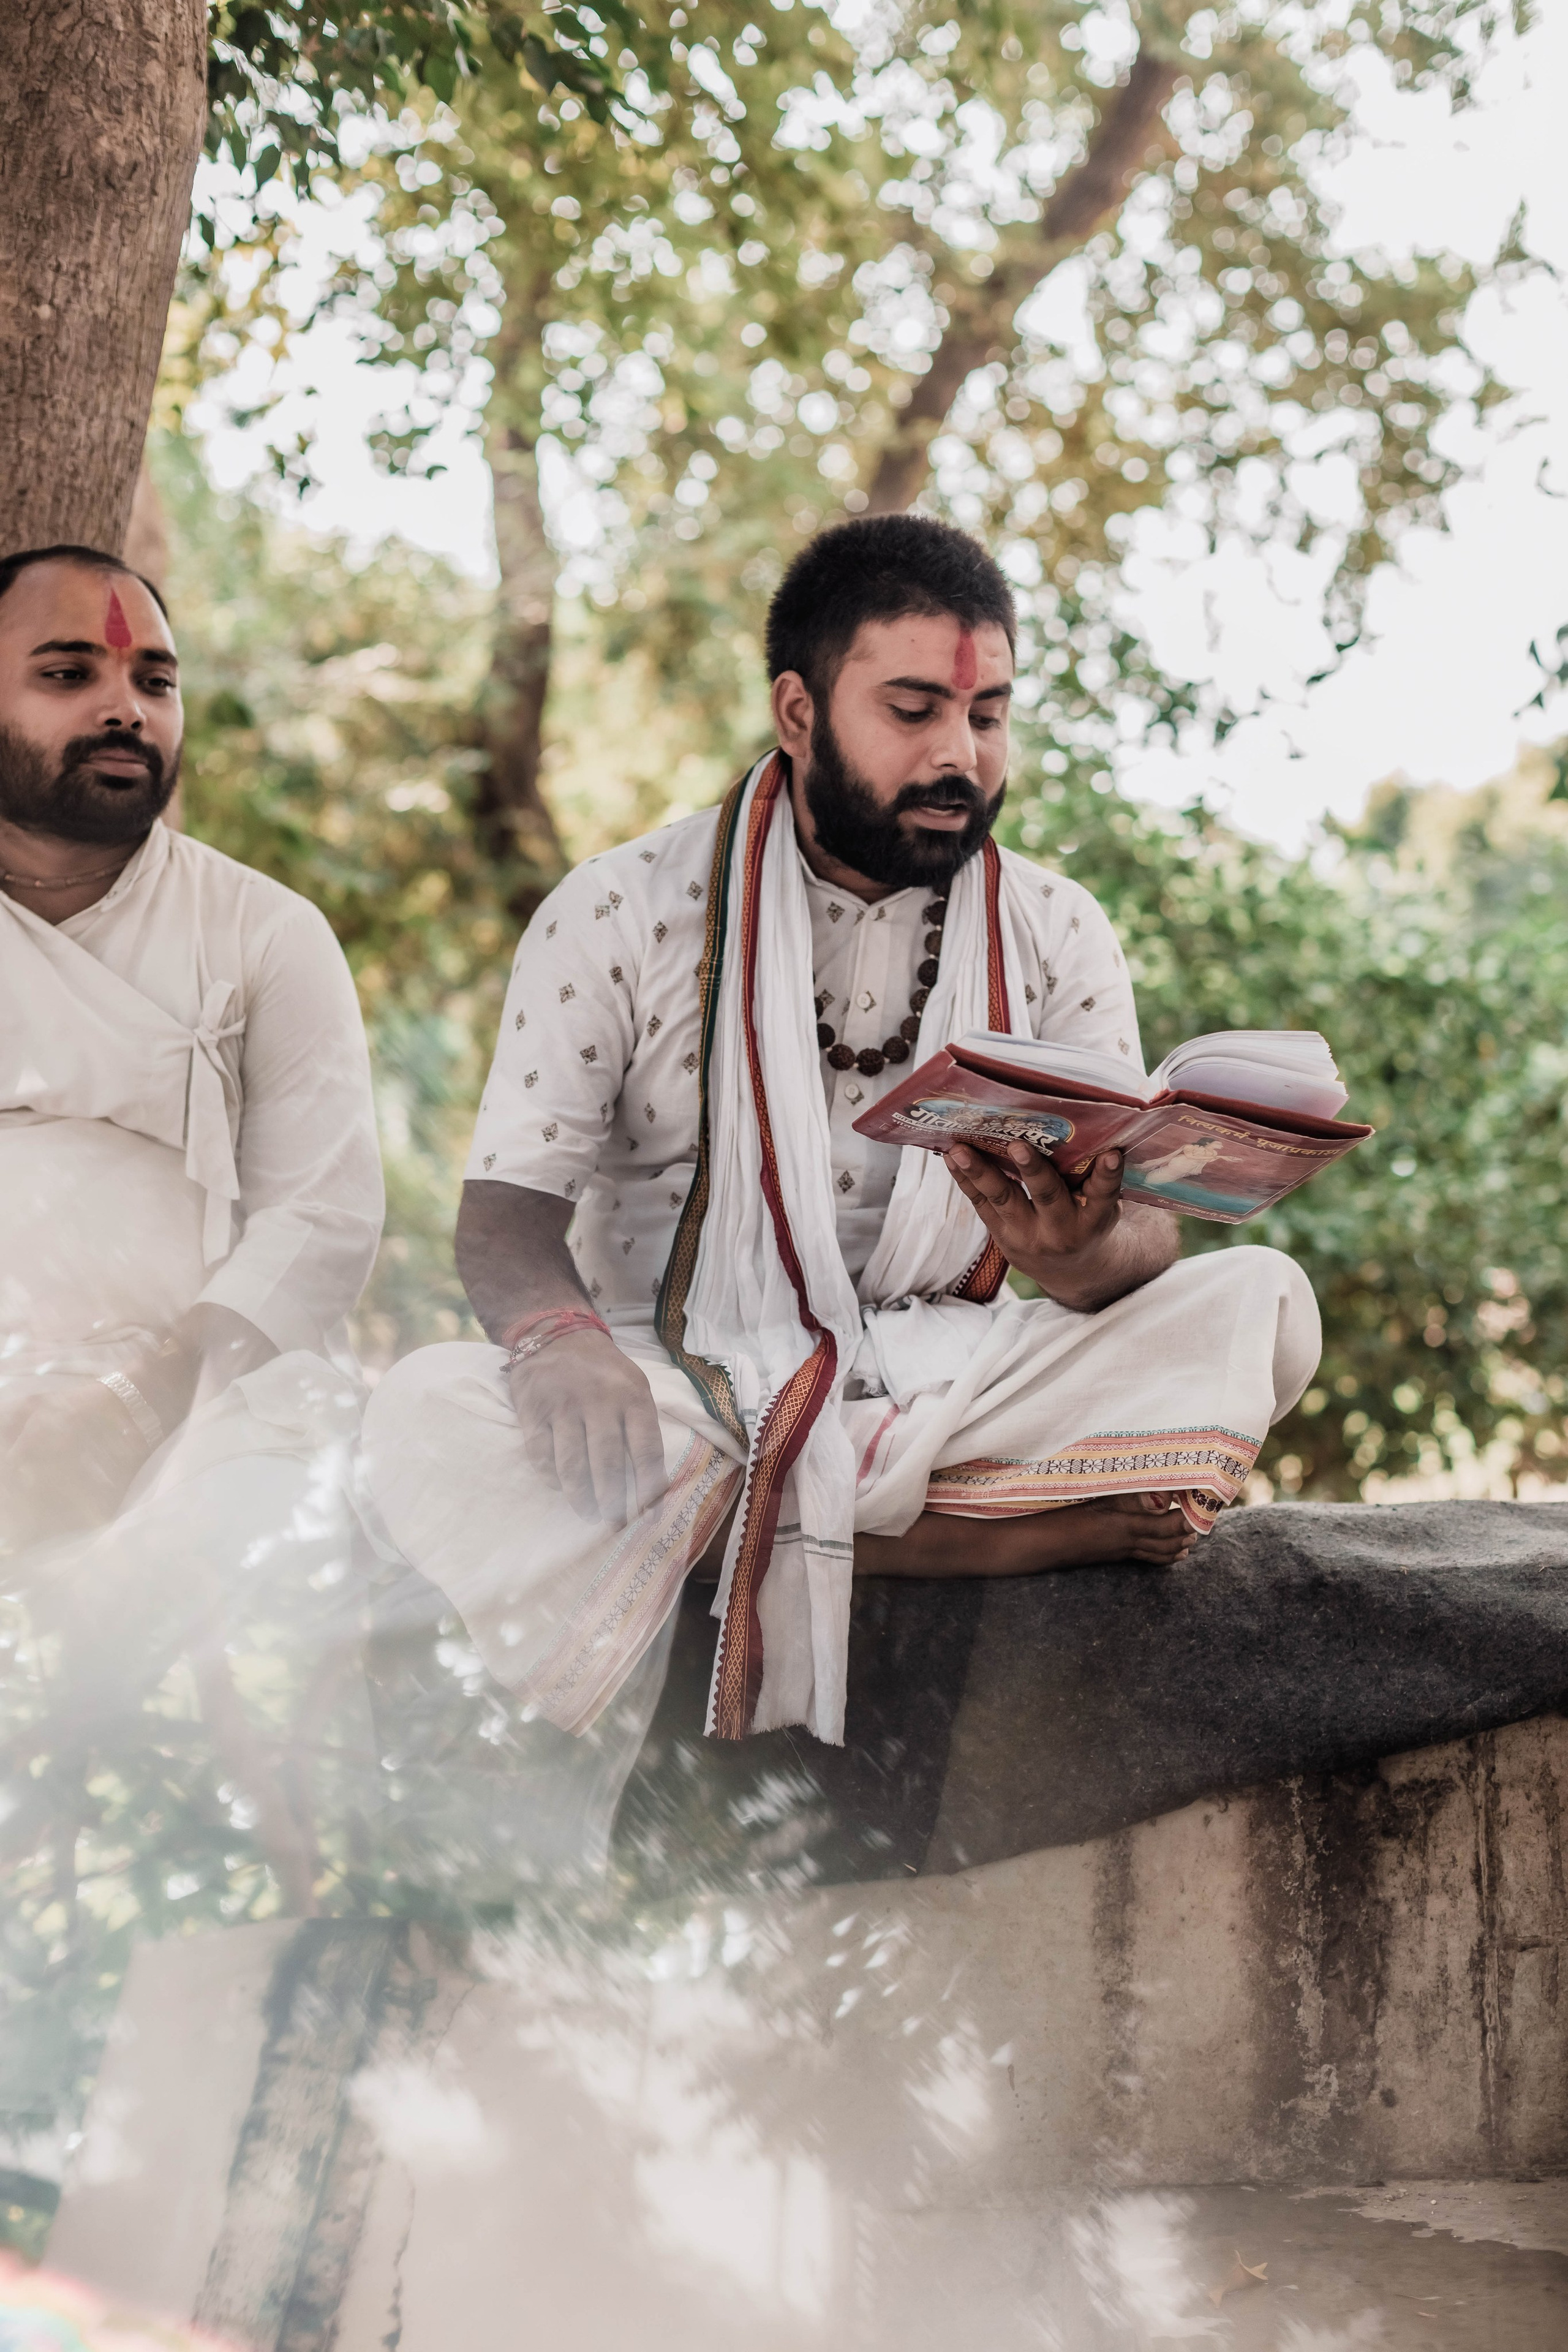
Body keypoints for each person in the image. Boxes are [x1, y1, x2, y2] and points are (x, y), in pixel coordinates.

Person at [366, 516, 1319, 1748]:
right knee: (427, 1411)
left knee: (1261, 1303)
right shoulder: (618, 909)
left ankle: (771, 1534)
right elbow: (504, 1214)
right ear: (798, 711)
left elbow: (1134, 1257)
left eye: (986, 715)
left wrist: (1080, 1253)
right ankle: (933, 1542)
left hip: (943, 1380)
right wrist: (555, 1346)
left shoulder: (1056, 927)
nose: (958, 755)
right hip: (679, 1380)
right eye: (912, 708)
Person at [0, 545, 383, 1874]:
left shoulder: (263, 936)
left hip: (215, 1406)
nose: (126, 707)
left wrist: (135, 1404)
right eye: (71, 673)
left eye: (153, 680)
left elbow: (323, 1221)